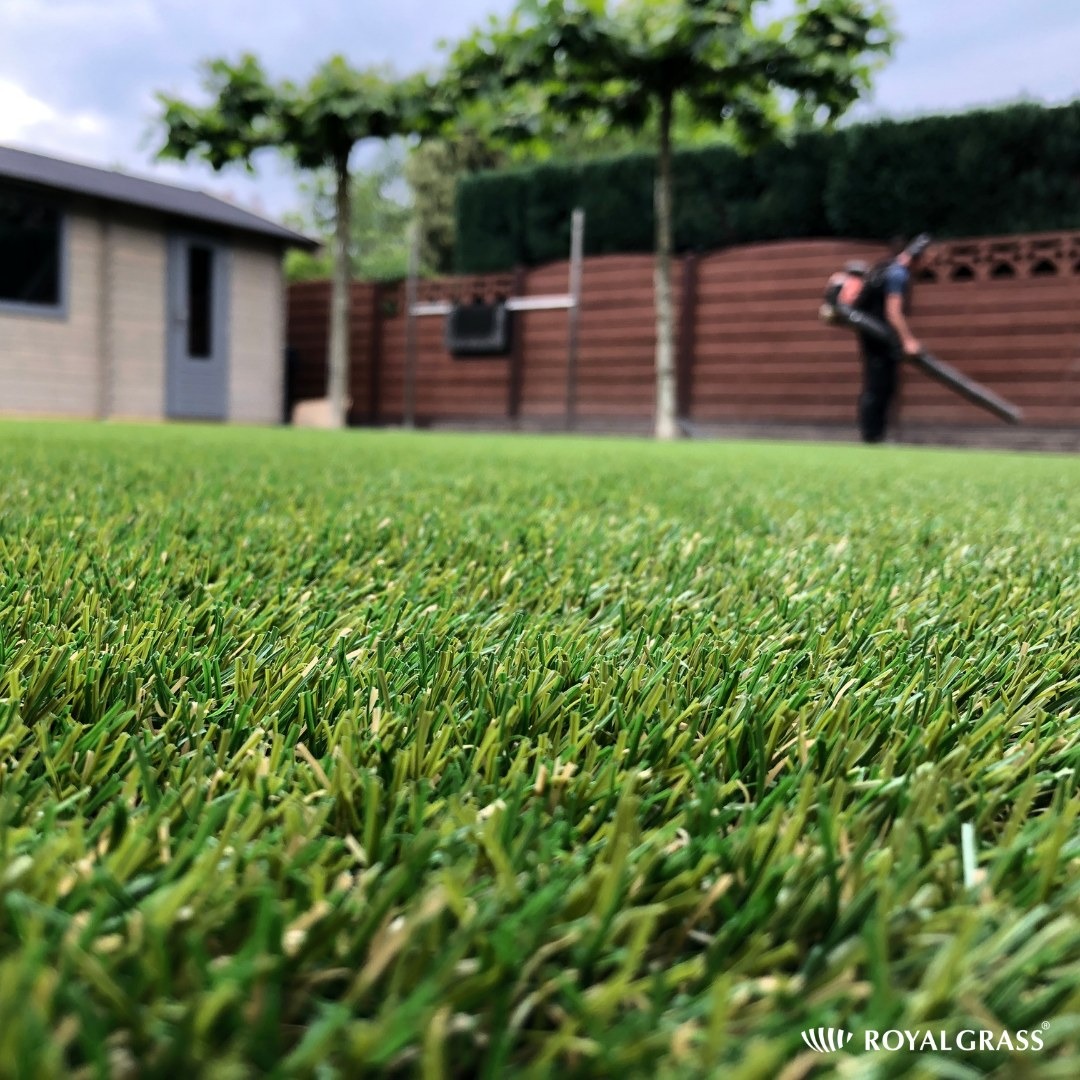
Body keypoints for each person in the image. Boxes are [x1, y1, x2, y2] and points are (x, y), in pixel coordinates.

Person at [852, 233, 932, 443]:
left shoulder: (888, 268)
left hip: (875, 334)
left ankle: (875, 434)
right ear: (917, 257)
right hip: (878, 336)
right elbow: (893, 312)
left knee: (881, 383)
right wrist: (908, 341)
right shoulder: (898, 274)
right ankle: (872, 435)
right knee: (879, 384)